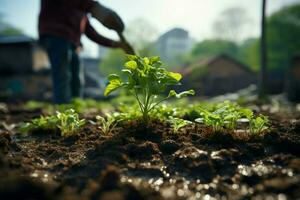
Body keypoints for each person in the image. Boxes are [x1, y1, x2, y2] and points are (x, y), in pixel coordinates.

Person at [38, 0, 133, 104]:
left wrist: (116, 44)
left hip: (73, 43)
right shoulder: (81, 3)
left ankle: (75, 109)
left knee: (77, 79)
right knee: (63, 76)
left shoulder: (82, 10)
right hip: (55, 35)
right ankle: (63, 111)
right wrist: (95, 8)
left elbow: (91, 33)